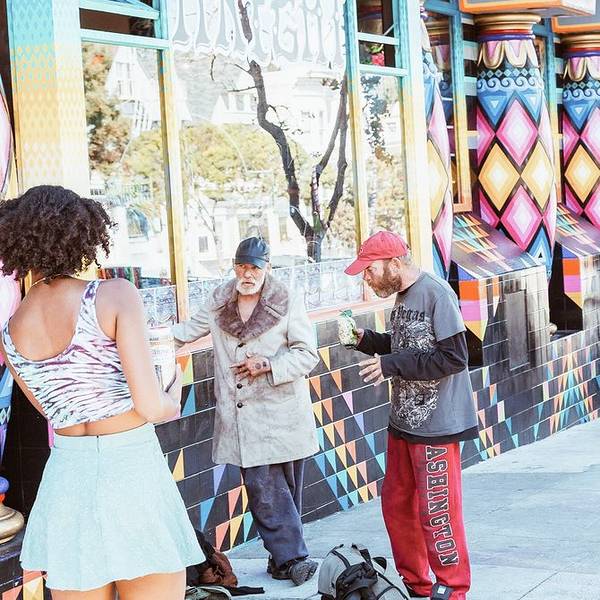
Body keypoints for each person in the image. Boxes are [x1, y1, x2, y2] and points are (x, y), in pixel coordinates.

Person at [0, 185, 204, 600]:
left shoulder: (10, 331)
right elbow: (151, 405)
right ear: (83, 236)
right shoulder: (113, 295)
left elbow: (54, 412)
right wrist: (172, 393)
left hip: (67, 480)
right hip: (131, 471)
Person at [172, 237, 320, 586]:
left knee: (286, 491)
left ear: (267, 267)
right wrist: (138, 341)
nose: (247, 273)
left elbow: (307, 354)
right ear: (234, 266)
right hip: (243, 417)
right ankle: (294, 559)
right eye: (242, 266)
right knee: (264, 489)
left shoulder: (287, 299)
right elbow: (186, 332)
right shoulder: (219, 299)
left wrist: (268, 364)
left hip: (283, 412)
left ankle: (280, 560)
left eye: (254, 267)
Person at [344, 230, 477, 600]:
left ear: (394, 263)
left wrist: (390, 365)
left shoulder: (437, 293)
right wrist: (365, 340)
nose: (366, 278)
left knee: (437, 513)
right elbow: (409, 346)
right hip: (401, 423)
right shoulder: (402, 296)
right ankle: (417, 586)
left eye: (369, 270)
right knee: (397, 506)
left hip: (437, 426)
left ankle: (453, 588)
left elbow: (454, 357)